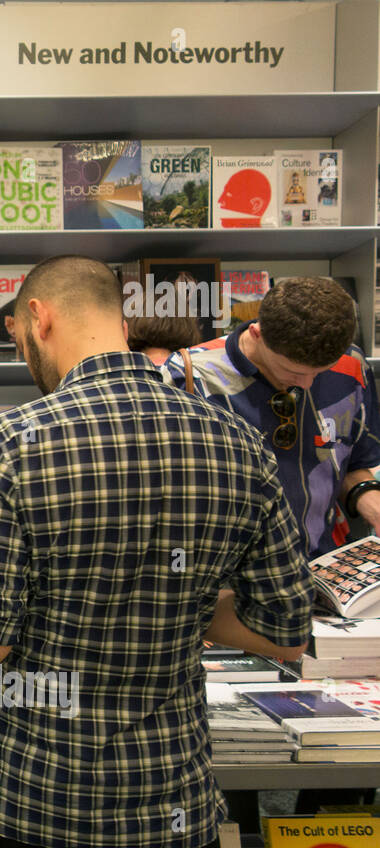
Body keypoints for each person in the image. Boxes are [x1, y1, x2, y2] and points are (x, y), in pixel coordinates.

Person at [0, 255, 314, 848]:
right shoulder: (238, 444)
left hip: (37, 801)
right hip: (173, 805)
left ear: (39, 318)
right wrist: (176, 600)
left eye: (18, 340)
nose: (24, 359)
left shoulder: (11, 443)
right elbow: (285, 633)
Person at [163, 275, 380, 816]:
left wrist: (371, 499)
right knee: (233, 755)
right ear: (256, 333)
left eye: (317, 374)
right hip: (224, 602)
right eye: (290, 372)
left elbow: (358, 461)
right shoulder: (188, 377)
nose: (306, 385)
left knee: (344, 757)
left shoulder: (351, 368)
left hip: (322, 592)